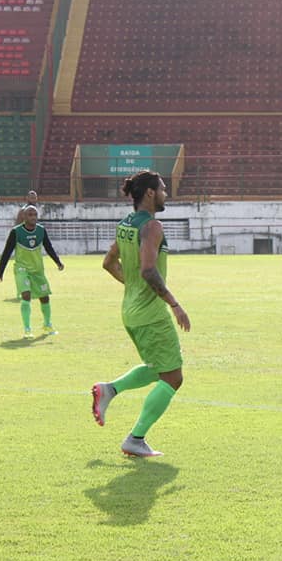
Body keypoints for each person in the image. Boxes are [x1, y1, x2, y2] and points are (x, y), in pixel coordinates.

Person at [91, 170, 191, 458]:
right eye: (162, 189)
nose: (165, 194)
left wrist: (133, 286)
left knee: (158, 367)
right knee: (173, 377)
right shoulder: (151, 227)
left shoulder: (125, 225)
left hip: (131, 312)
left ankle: (108, 390)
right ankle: (135, 438)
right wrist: (174, 304)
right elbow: (148, 270)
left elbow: (109, 263)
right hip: (150, 314)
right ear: (149, 193)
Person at [0, 204, 64, 338]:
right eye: (30, 214)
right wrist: (0, 270)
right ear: (24, 217)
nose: (33, 217)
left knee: (44, 297)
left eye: (35, 215)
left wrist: (58, 261)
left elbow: (48, 247)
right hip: (22, 269)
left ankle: (47, 324)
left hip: (37, 270)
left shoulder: (41, 230)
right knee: (26, 295)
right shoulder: (16, 232)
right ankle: (27, 329)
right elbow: (7, 251)